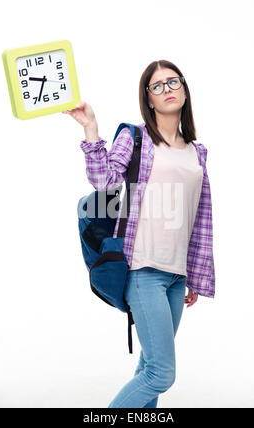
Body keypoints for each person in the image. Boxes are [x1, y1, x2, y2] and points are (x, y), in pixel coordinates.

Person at [62, 60, 215, 408]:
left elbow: (200, 217)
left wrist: (196, 274)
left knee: (149, 366)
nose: (167, 89)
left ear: (184, 89)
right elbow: (105, 182)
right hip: (144, 271)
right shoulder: (136, 138)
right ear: (148, 99)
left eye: (173, 81)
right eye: (157, 85)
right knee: (161, 373)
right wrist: (91, 128)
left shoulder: (197, 152)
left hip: (176, 276)